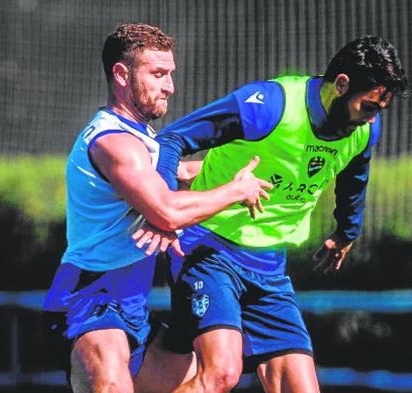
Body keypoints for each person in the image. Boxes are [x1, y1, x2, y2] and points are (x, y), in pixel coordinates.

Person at [152, 35, 409, 392]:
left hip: (270, 269)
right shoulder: (269, 105)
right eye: (367, 106)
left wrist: (346, 232)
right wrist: (161, 209)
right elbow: (172, 140)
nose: (370, 119)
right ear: (342, 85)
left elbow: (354, 177)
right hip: (208, 249)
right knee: (222, 373)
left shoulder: (364, 129)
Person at [42, 23, 272, 393]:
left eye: (171, 75)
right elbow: (166, 210)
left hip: (133, 307)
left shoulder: (143, 141)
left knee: (216, 377)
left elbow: (185, 175)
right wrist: (233, 191)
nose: (170, 87)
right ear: (121, 74)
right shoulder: (112, 142)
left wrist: (269, 176)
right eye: (158, 74)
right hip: (92, 301)